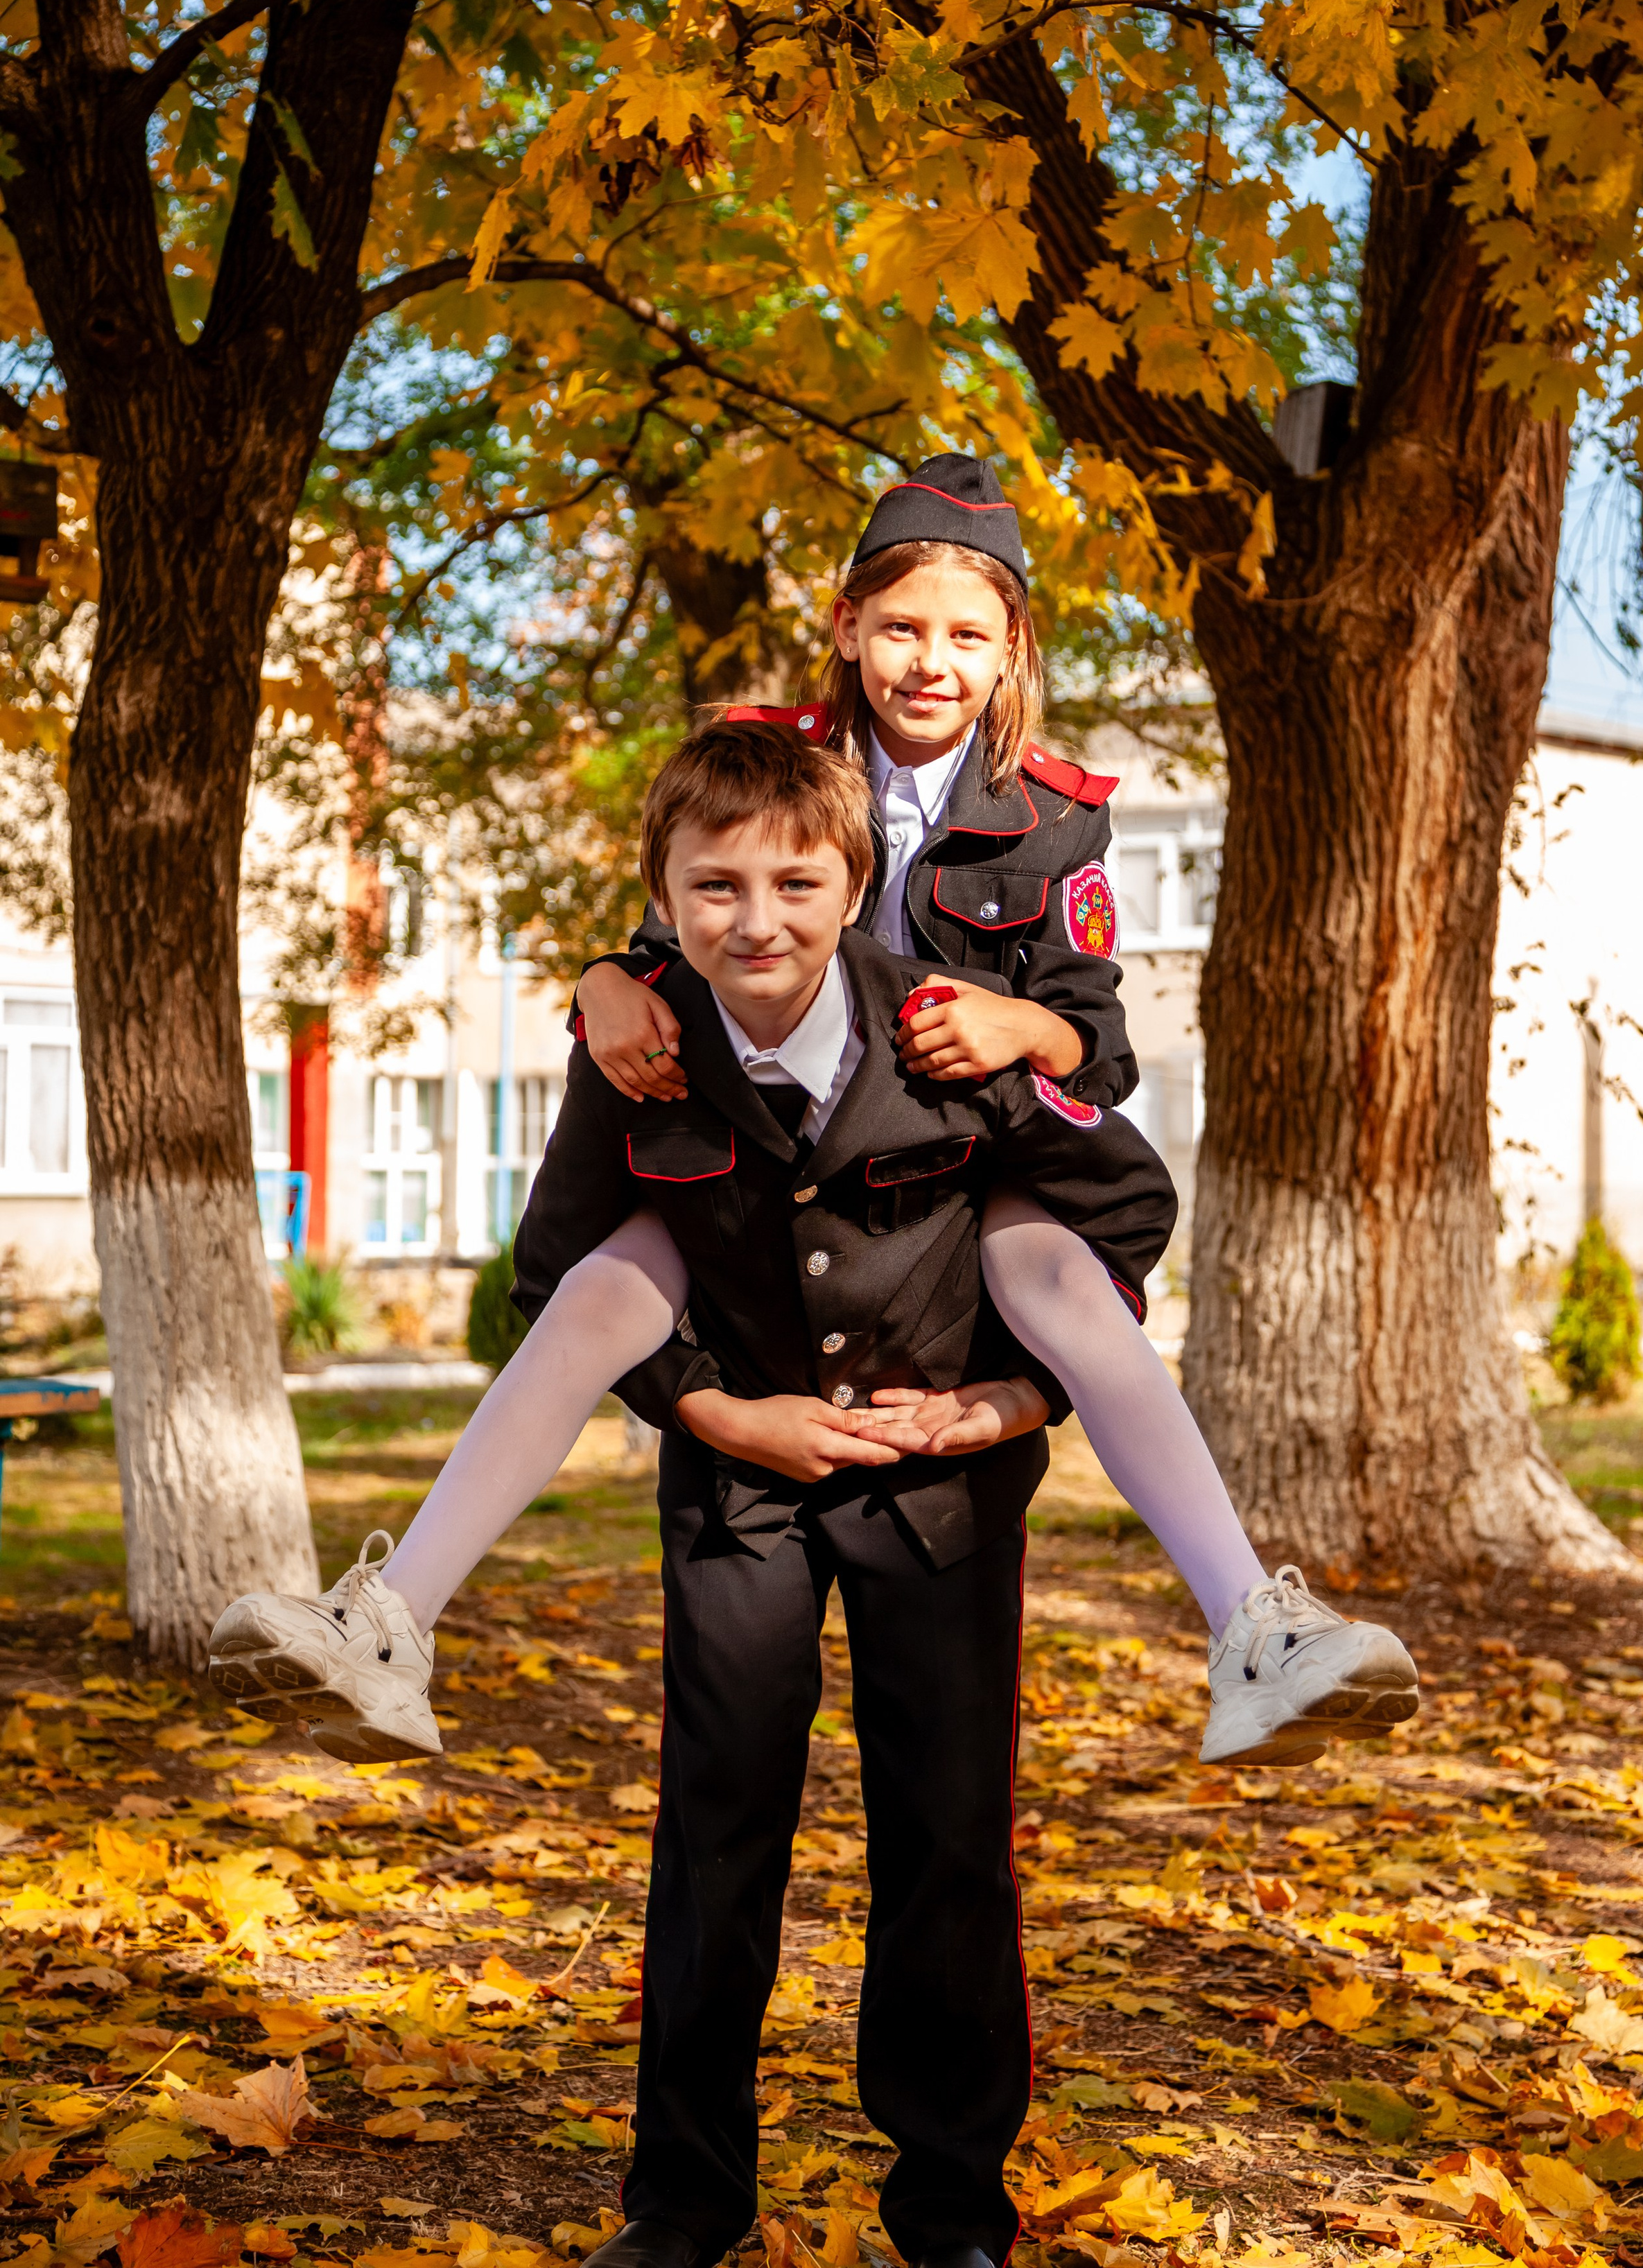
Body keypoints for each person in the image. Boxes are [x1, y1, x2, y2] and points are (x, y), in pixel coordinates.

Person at [211, 722, 1178, 2268]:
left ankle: (951, 2211)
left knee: (948, 1840)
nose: (756, 918)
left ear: (854, 884)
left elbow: (1125, 1211)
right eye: (713, 886)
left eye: (795, 884)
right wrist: (719, 1412)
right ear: (661, 900)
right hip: (738, 1490)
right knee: (716, 1833)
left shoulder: (950, 1032)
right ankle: (681, 2204)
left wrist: (1016, 1399)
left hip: (940, 1490)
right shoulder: (639, 1049)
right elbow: (559, 1270)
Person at [569, 453, 1418, 1765]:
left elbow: (1100, 1047)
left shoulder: (1055, 818)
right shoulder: (766, 760)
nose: (931, 663)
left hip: (965, 1166)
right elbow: (667, 942)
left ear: (1011, 645)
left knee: (1067, 1283)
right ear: (846, 627)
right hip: (776, 1162)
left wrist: (1023, 1027)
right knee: (599, 1287)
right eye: (901, 628)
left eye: (968, 635)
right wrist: (597, 984)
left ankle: (1254, 1625)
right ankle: (392, 1616)